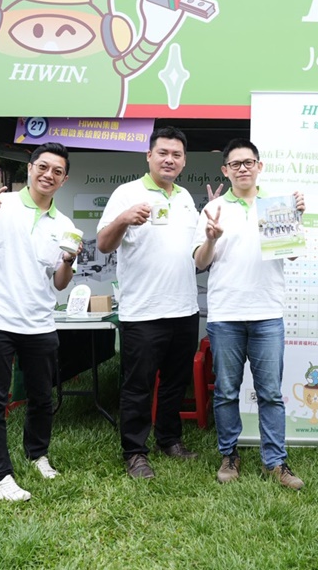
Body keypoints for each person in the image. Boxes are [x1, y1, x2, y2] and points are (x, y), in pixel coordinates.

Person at [0, 142, 76, 502]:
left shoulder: (64, 224)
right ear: (29, 168)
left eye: (57, 171)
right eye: (43, 167)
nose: (49, 175)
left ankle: (37, 454)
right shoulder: (0, 205)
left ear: (64, 180)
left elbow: (59, 283)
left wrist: (69, 262)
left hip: (40, 323)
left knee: (41, 398)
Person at [192, 139, 306, 490]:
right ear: (225, 170)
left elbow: (292, 254)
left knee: (270, 392)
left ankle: (276, 461)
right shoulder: (213, 209)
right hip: (226, 313)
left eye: (249, 162)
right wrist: (211, 238)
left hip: (267, 313)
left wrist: (295, 218)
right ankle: (230, 455)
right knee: (227, 390)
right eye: (235, 164)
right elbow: (200, 262)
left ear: (259, 166)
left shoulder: (277, 206)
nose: (243, 168)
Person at [96, 126, 201, 480]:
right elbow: (103, 244)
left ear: (184, 161)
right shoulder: (127, 193)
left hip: (184, 308)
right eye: (163, 153)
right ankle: (135, 452)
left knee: (175, 382)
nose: (169, 160)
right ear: (149, 156)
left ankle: (169, 439)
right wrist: (124, 219)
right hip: (142, 311)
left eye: (176, 155)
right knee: (138, 385)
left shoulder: (186, 199)